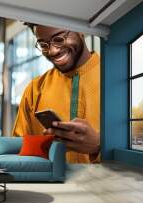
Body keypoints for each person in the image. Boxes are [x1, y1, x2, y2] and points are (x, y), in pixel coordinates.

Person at [12, 24, 100, 163]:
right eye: (43, 44)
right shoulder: (34, 89)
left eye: (59, 39)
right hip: (49, 183)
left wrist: (99, 147)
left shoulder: (116, 79)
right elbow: (18, 149)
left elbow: (140, 147)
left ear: (81, 30)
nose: (52, 51)